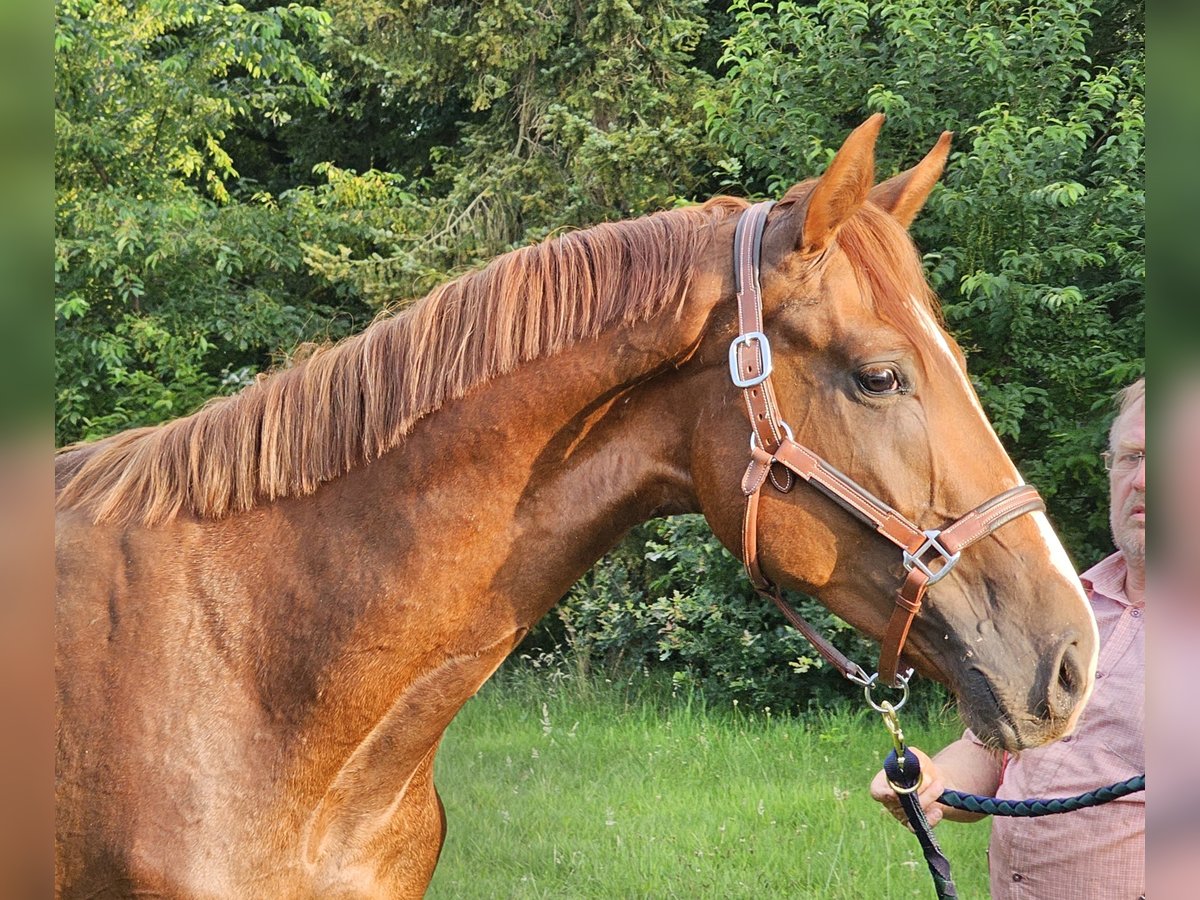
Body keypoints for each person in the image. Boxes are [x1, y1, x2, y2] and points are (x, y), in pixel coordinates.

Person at [870, 378, 1145, 899]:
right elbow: (993, 756)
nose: (1144, 480)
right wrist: (931, 783)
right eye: (1131, 457)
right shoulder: (1065, 614)